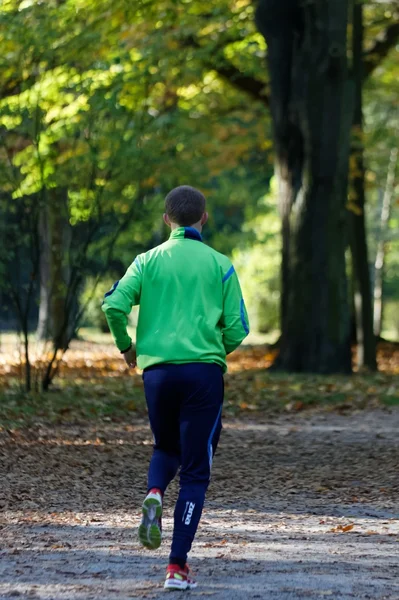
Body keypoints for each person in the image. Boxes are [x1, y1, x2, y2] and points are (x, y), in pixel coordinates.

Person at [102, 185, 249, 590]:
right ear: (205, 218)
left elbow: (113, 305)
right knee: (196, 472)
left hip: (158, 375)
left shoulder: (146, 261)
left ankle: (153, 492)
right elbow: (239, 328)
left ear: (167, 219)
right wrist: (215, 350)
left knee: (165, 447)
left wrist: (127, 348)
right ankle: (176, 566)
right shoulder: (220, 264)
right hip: (203, 376)